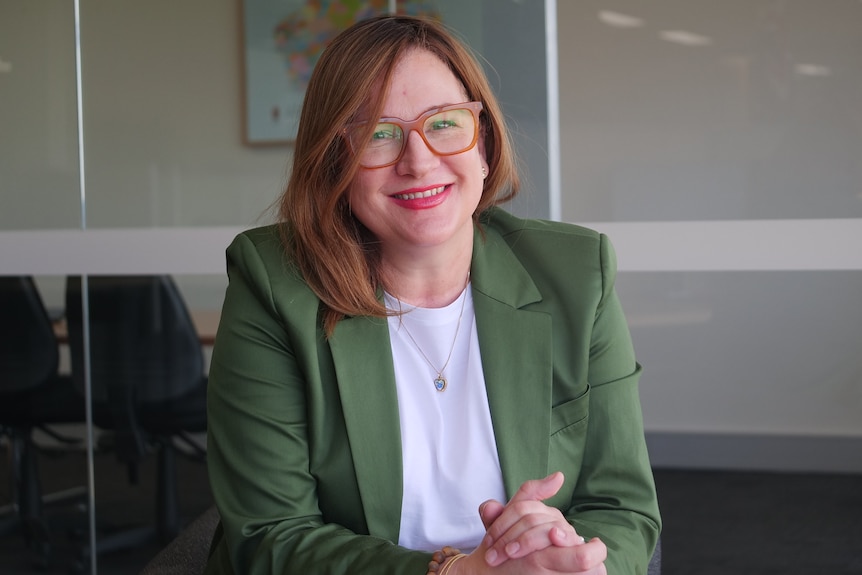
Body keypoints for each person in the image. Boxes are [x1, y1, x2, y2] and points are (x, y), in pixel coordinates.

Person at [204, 14, 660, 575]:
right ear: (333, 164)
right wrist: (456, 572)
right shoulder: (274, 283)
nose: (418, 160)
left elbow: (621, 507)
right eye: (378, 133)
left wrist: (580, 563)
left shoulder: (575, 274)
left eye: (444, 124)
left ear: (484, 143)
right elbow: (271, 535)